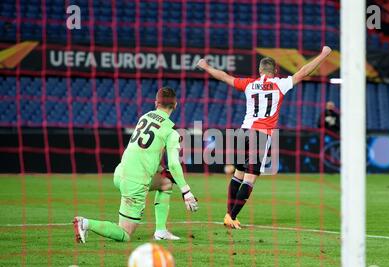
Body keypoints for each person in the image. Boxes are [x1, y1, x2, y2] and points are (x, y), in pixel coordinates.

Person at [197, 46, 332, 229]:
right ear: (275, 71)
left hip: (243, 132)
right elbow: (304, 71)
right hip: (260, 135)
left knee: (238, 174)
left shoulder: (249, 84)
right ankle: (231, 216)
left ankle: (229, 214)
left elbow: (223, 76)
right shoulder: (280, 84)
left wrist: (205, 66)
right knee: (250, 179)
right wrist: (323, 54)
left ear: (259, 71)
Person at [72, 87, 199, 243]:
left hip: (120, 172)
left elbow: (146, 152)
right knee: (125, 234)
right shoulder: (171, 132)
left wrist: (161, 170)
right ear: (176, 105)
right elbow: (174, 164)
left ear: (156, 102)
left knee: (166, 183)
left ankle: (160, 231)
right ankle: (85, 223)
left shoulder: (145, 117)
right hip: (135, 182)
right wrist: (187, 192)